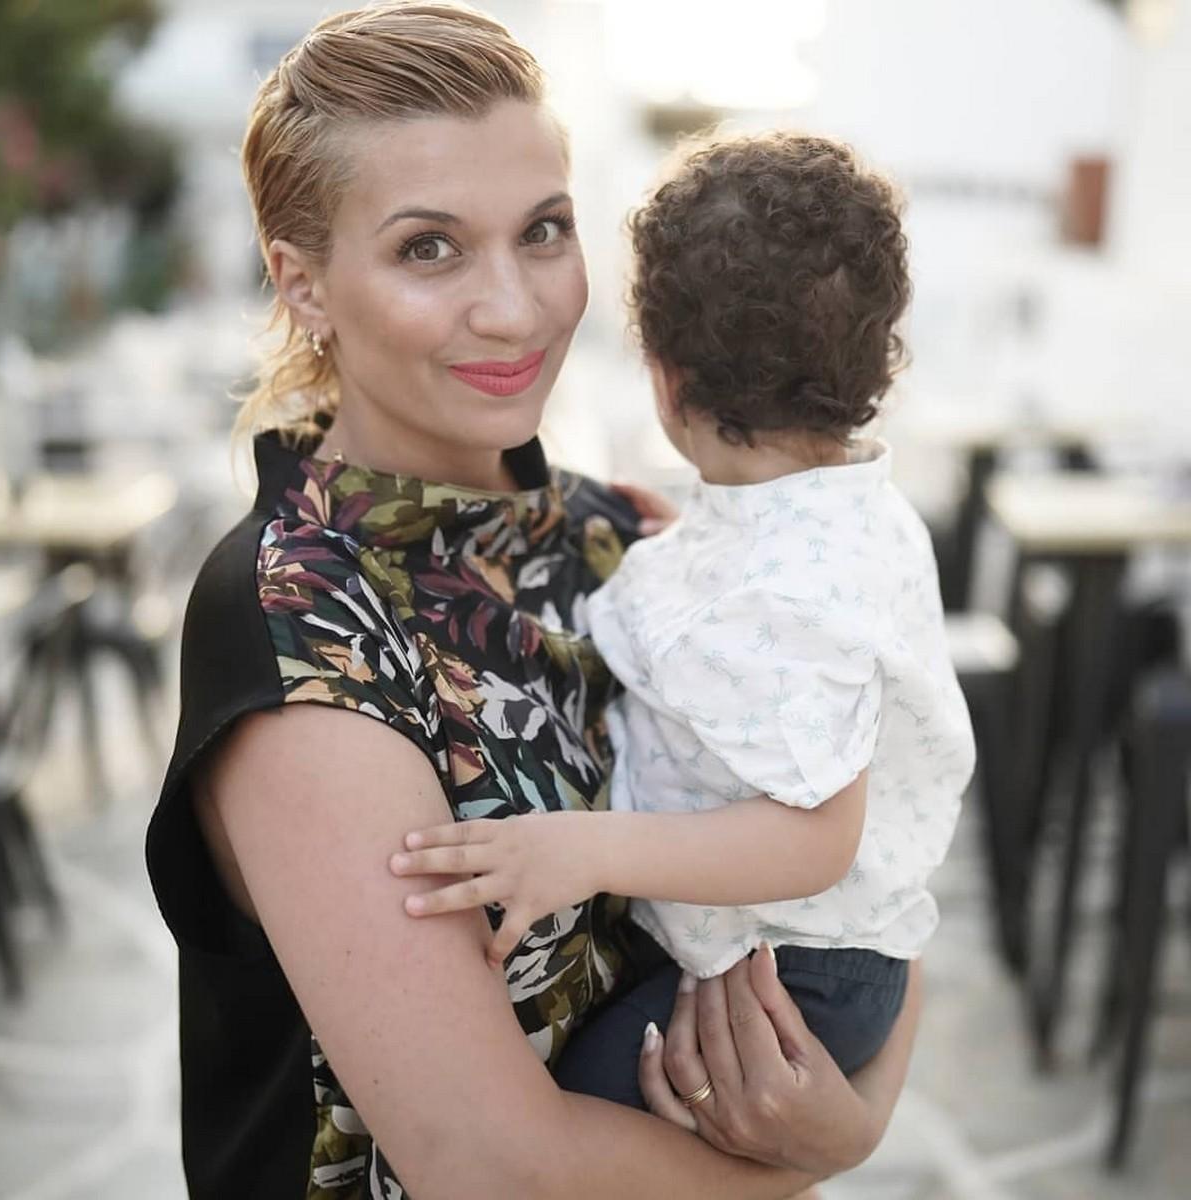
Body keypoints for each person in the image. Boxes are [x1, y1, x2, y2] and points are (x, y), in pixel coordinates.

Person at [145, 5, 921, 1198]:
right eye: (429, 249)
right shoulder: (301, 629)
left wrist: (856, 1112)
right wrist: (816, 1163)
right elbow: (489, 1166)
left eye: (544, 230)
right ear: (303, 282)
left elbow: (875, 858)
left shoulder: (623, 537)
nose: (513, 307)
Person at [391, 130, 976, 1110]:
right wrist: (690, 548)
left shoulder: (779, 595)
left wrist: (582, 850)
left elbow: (814, 841)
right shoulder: (840, 513)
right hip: (807, 953)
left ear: (665, 379)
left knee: (578, 1110)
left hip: (797, 973)